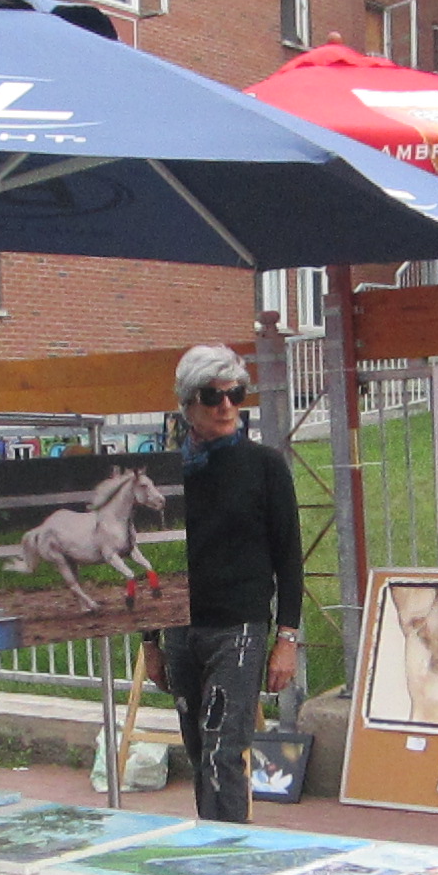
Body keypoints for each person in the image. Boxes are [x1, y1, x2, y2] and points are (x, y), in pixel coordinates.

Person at [140, 344, 303, 822]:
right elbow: (154, 559)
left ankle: (227, 851)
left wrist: (287, 638)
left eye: (236, 394)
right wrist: (150, 641)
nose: (227, 406)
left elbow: (288, 557)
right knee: (198, 750)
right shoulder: (167, 475)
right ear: (188, 405)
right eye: (213, 397)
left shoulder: (265, 466)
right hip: (179, 625)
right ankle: (212, 839)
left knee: (223, 752)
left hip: (239, 626)